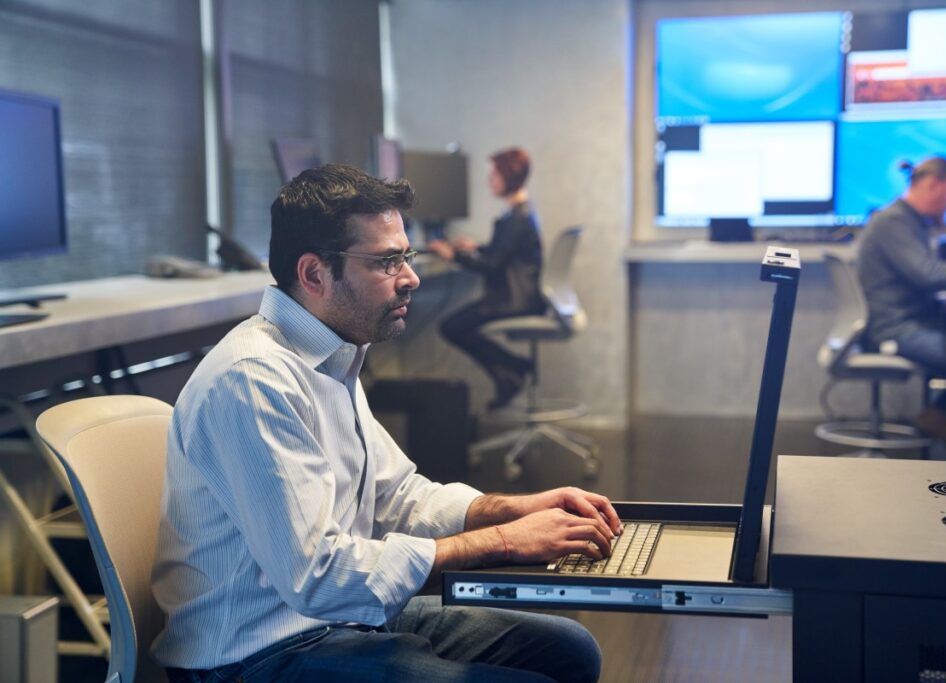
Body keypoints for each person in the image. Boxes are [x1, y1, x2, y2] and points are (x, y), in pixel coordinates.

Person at [151, 164, 621, 683]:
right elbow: (320, 575)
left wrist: (505, 508)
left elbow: (397, 495)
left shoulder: (334, 352)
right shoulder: (254, 380)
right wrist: (502, 542)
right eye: (387, 261)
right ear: (314, 275)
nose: (411, 278)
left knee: (570, 650)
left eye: (406, 256)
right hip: (257, 653)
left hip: (337, 618)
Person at [856, 156, 946, 449]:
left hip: (907, 324)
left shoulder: (907, 221)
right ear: (932, 184)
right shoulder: (894, 221)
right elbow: (926, 272)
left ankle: (941, 417)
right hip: (896, 330)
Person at [430, 147, 545, 410]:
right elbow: (501, 253)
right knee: (456, 326)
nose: (489, 181)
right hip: (519, 297)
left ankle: (515, 367)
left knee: (451, 327)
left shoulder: (516, 217)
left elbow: (492, 265)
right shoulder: (520, 213)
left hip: (511, 301)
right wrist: (475, 247)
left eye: (493, 175)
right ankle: (510, 374)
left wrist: (452, 255)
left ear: (508, 176)